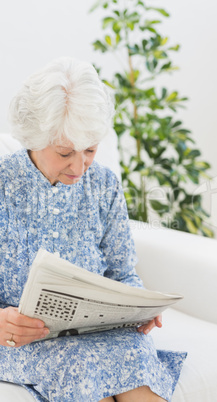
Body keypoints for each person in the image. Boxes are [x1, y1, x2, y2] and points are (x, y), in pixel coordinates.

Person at [0, 58, 186, 402]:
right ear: (33, 138)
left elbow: (123, 271)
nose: (79, 165)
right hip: (23, 341)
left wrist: (141, 308)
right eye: (65, 152)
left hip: (99, 330)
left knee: (137, 354)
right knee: (82, 365)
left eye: (89, 149)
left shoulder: (103, 184)